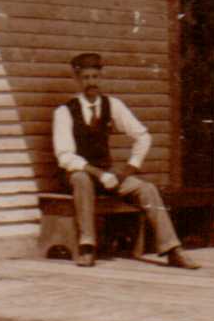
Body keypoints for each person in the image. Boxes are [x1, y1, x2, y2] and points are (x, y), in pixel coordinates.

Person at [51, 52, 200, 269]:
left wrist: (128, 170)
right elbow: (65, 156)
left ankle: (172, 249)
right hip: (78, 175)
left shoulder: (112, 106)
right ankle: (87, 247)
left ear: (101, 78)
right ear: (77, 79)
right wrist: (99, 174)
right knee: (81, 179)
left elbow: (143, 136)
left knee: (147, 189)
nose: (91, 83)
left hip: (107, 174)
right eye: (86, 78)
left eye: (95, 77)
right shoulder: (65, 112)